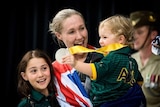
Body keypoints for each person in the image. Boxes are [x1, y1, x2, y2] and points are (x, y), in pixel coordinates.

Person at [62, 14, 146, 107]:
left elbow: (95, 70)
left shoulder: (113, 58)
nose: (100, 41)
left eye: (104, 37)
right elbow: (139, 81)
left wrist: (75, 64)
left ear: (120, 39)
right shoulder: (132, 60)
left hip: (110, 103)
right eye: (100, 37)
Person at [49, 8, 103, 106]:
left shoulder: (106, 57)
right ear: (59, 35)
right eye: (71, 32)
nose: (79, 36)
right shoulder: (54, 71)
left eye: (82, 28)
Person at [130, 11, 160, 107]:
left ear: (153, 34)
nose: (134, 36)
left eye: (140, 32)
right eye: (133, 32)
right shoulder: (129, 61)